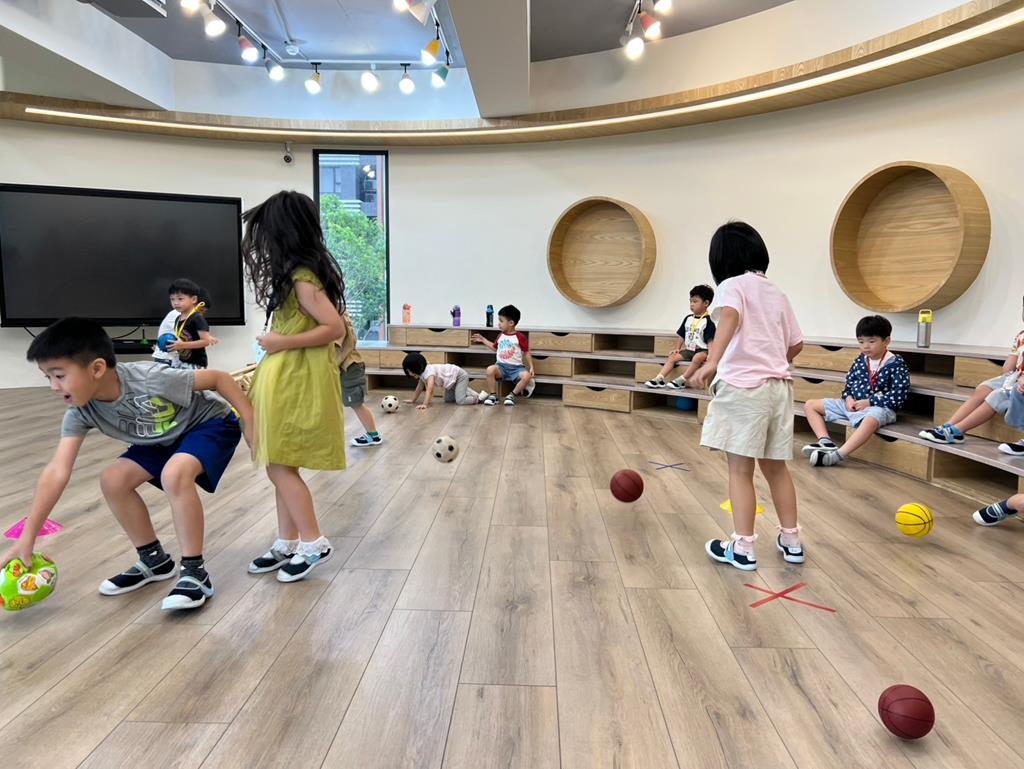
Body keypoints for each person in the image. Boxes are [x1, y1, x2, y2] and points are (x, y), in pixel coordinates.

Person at [0, 317, 251, 611]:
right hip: (160, 439)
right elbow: (57, 471)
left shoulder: (150, 377)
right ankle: (154, 560)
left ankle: (195, 573)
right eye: (48, 378)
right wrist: (28, 537)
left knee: (175, 473)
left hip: (208, 424)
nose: (54, 387)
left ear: (96, 368)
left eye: (59, 375)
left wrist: (251, 421)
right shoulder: (80, 412)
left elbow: (219, 379)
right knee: (113, 480)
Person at [242, 191, 347, 583]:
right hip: (287, 377)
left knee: (279, 464)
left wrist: (280, 341)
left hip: (296, 379)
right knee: (280, 461)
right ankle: (287, 541)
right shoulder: (297, 276)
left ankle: (313, 541)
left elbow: (334, 328)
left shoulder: (303, 279)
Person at [690, 222, 805, 572]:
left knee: (740, 470)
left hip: (744, 388)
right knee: (776, 468)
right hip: (779, 389)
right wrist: (771, 360)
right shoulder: (776, 292)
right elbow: (796, 344)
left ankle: (742, 548)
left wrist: (713, 361)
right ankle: (792, 541)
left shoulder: (731, 286)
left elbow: (730, 316)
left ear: (721, 259)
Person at [802, 315, 911, 467]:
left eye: (871, 341)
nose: (865, 346)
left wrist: (870, 402)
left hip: (879, 408)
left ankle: (837, 455)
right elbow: (849, 384)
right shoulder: (860, 360)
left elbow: (899, 395)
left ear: (886, 341)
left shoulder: (896, 364)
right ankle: (825, 442)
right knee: (810, 405)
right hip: (852, 406)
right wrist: (848, 398)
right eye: (861, 342)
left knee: (872, 419)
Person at [919, 306, 1024, 454]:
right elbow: (1008, 368)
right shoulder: (1021, 336)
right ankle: (949, 425)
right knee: (984, 388)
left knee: (997, 395)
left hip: (1019, 382)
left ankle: (957, 431)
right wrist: (1016, 353)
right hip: (1015, 376)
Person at [645, 285, 716, 389]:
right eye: (690, 301)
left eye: (695, 301)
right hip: (689, 350)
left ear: (706, 303)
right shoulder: (688, 319)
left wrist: (711, 355)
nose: (691, 304)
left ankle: (681, 380)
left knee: (697, 358)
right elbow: (682, 335)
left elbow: (710, 340)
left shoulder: (708, 322)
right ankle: (659, 378)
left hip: (702, 350)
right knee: (673, 357)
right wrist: (677, 348)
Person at [473, 304, 535, 407]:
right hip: (501, 367)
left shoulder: (520, 337)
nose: (499, 324)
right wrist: (483, 340)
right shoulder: (500, 336)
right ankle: (493, 396)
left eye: (501, 321)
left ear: (511, 323)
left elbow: (526, 352)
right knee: (490, 370)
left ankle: (511, 395)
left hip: (516, 368)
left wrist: (531, 366)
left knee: (527, 376)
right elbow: (495, 347)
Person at [336, 311, 382, 446]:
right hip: (349, 365)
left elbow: (338, 347)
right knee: (352, 403)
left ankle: (373, 435)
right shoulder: (341, 316)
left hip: (350, 367)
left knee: (355, 403)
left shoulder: (338, 319)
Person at [166, 279, 216, 369]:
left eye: (180, 299)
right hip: (181, 362)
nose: (175, 302)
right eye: (172, 299)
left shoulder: (197, 318)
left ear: (193, 299)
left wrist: (182, 345)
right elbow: (179, 338)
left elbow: (206, 341)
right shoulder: (178, 318)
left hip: (196, 365)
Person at [402, 353, 478, 408]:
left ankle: (477, 398)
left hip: (459, 376)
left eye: (410, 371)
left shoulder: (429, 373)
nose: (410, 374)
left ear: (417, 368)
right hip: (452, 381)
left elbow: (430, 390)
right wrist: (413, 400)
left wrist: (425, 404)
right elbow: (419, 387)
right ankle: (465, 392)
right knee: (448, 400)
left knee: (460, 401)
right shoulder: (422, 373)